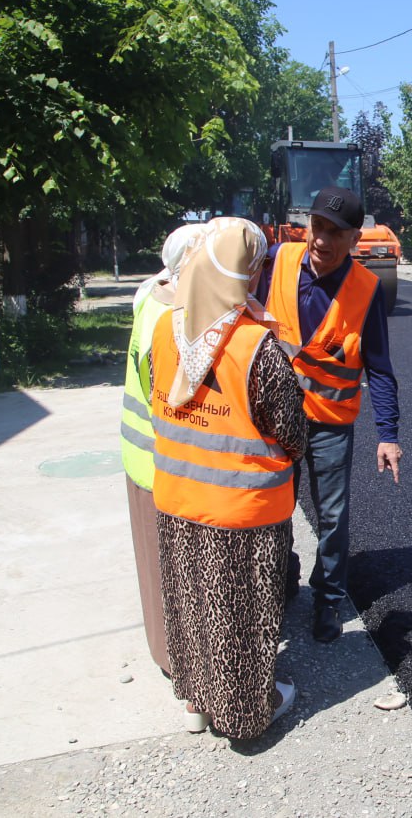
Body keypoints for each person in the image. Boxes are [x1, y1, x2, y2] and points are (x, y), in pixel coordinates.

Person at [150, 217, 306, 738]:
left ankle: (197, 702)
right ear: (250, 272)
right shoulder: (256, 348)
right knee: (239, 617)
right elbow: (292, 433)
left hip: (177, 502)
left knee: (192, 605)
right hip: (242, 513)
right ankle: (245, 714)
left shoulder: (163, 330)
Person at [255, 186, 403, 643]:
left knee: (332, 516)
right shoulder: (277, 261)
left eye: (335, 233)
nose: (322, 240)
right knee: (274, 508)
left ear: (355, 238)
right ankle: (283, 581)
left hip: (330, 424)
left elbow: (379, 367)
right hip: (275, 417)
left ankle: (328, 600)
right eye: (317, 227)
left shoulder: (366, 289)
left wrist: (388, 433)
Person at [120, 222, 207, 674]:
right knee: (177, 577)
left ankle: (171, 658)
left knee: (157, 572)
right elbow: (178, 405)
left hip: (140, 462)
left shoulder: (150, 293)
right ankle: (186, 671)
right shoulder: (172, 322)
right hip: (164, 469)